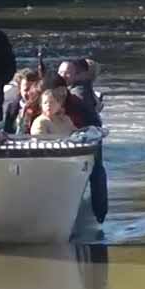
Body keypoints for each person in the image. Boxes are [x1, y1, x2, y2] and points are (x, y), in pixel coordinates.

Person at [56, 57, 108, 223]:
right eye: (61, 72)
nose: (63, 76)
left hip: (89, 136)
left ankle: (99, 214)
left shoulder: (78, 93)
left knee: (96, 171)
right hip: (86, 134)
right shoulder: (73, 89)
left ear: (77, 75)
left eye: (68, 73)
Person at [0, 67, 43, 136]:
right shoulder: (12, 108)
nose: (29, 93)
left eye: (33, 89)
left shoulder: (43, 107)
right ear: (19, 89)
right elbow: (7, 131)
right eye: (26, 89)